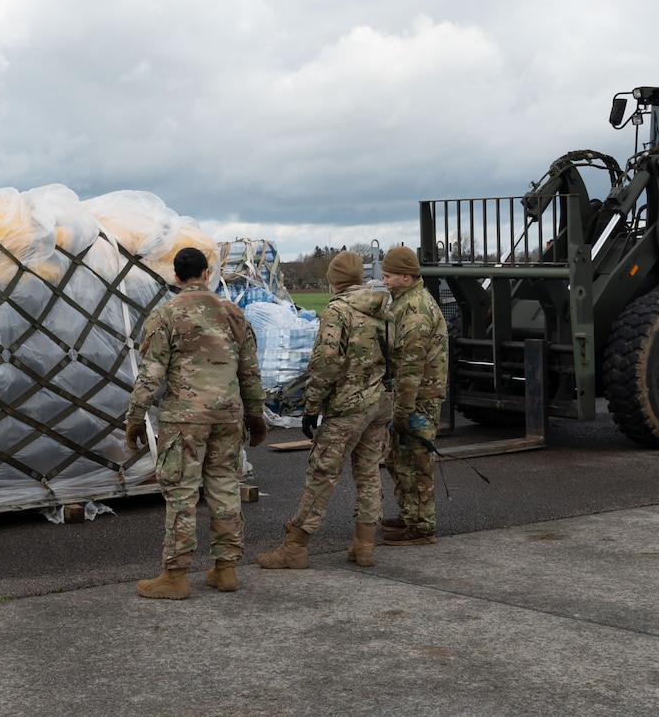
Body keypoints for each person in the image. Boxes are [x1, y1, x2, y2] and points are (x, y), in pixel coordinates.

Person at [124, 247, 265, 599]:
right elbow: (249, 372)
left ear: (175, 276)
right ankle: (226, 568)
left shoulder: (165, 315)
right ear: (206, 274)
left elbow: (150, 374)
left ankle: (175, 574)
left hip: (185, 418)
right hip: (228, 416)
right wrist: (256, 415)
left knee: (182, 494)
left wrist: (136, 417)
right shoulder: (234, 314)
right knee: (224, 488)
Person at [256, 249, 392, 570]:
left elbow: (326, 363)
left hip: (346, 407)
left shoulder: (337, 312)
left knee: (322, 473)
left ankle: (295, 546)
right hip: (378, 403)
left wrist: (311, 407)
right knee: (369, 473)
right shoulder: (383, 308)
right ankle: (365, 545)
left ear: (333, 281)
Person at [378, 246, 449, 546]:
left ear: (406, 278)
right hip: (411, 395)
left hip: (419, 398)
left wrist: (402, 411)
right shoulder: (404, 302)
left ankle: (421, 526)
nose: (384, 281)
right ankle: (410, 515)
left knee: (417, 460)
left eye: (389, 276)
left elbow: (410, 366)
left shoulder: (415, 310)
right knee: (399, 458)